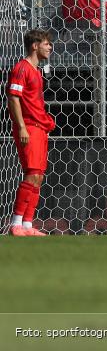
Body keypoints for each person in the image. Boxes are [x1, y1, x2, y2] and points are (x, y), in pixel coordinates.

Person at [7, 29, 56, 236]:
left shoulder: (36, 71)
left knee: (38, 177)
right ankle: (16, 223)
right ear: (35, 45)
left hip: (39, 127)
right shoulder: (21, 68)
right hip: (29, 127)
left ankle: (27, 224)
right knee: (32, 174)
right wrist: (22, 127)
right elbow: (13, 98)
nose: (50, 47)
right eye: (46, 43)